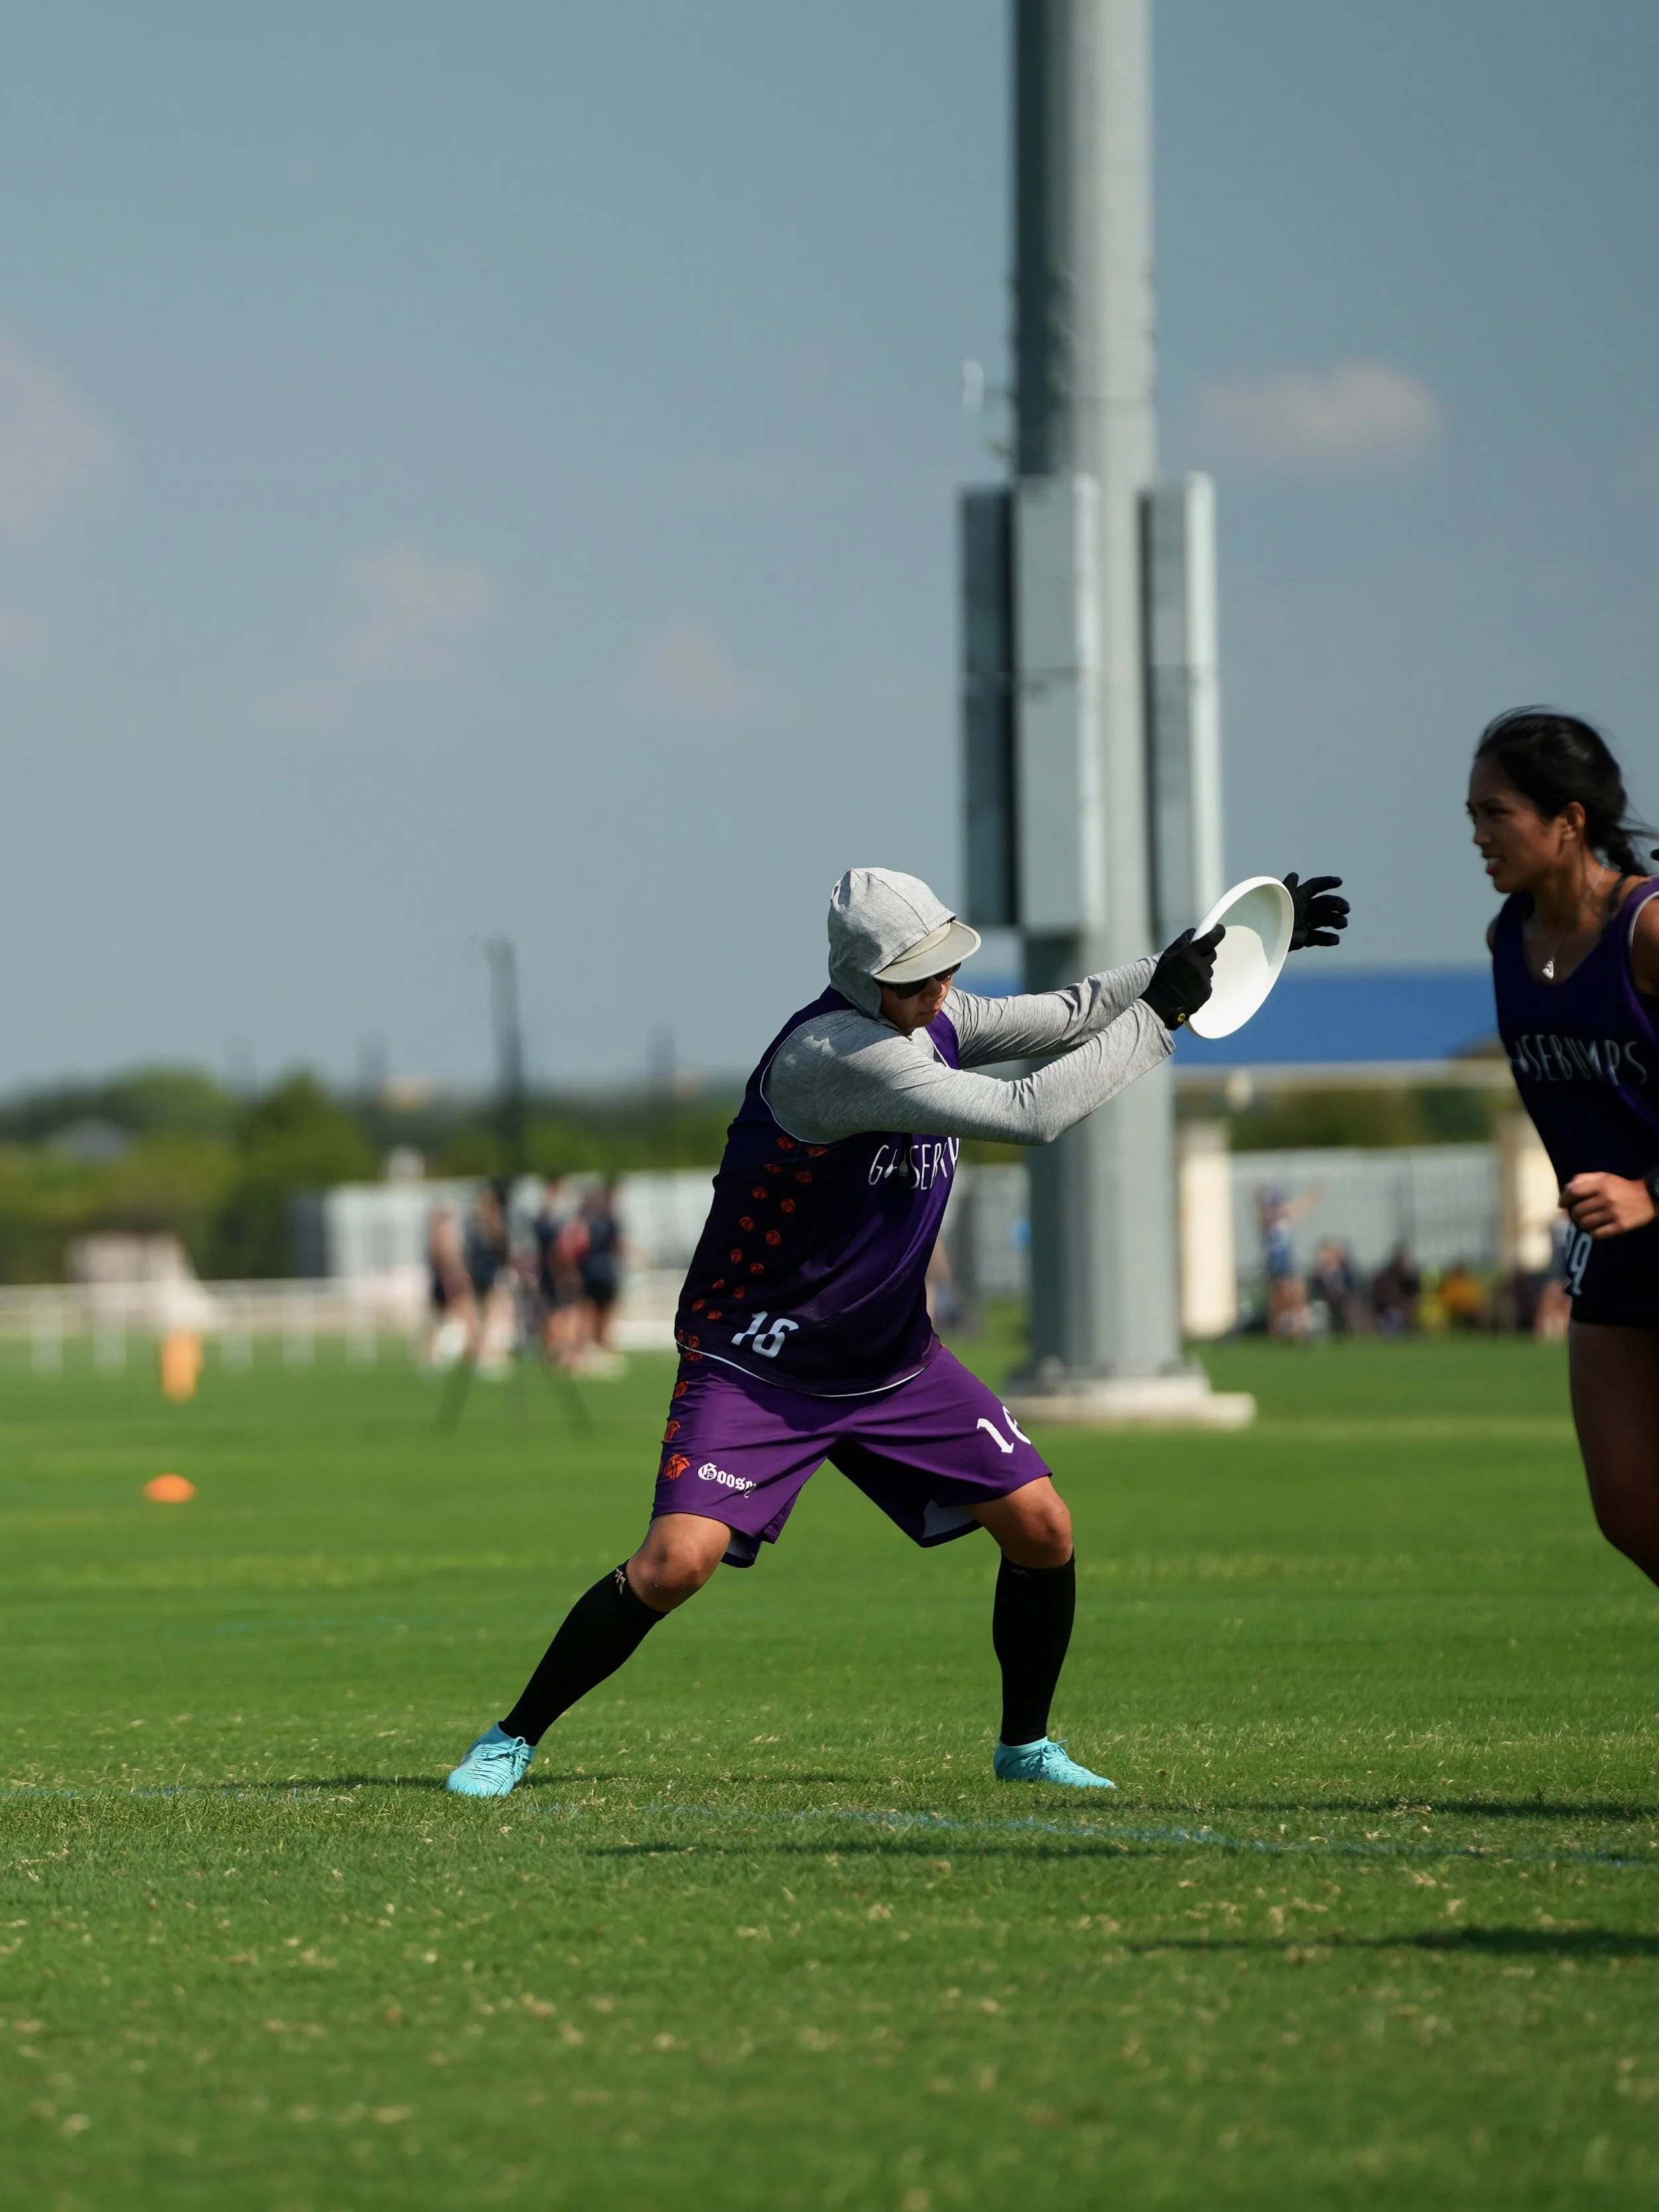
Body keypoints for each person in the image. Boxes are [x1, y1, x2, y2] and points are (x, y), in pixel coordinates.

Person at [445, 863, 1348, 1799]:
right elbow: (1027, 1112)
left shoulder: (931, 1016)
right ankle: (512, 1735)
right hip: (761, 1366)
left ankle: (1025, 1746)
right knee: (676, 1564)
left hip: (892, 1363)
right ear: (862, 977)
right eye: (918, 977)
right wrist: (1161, 1016)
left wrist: (1200, 956)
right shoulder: (835, 1056)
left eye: (945, 970)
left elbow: (1074, 1009)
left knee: (1042, 1527)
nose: (942, 991)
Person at [1470, 707, 1659, 1588]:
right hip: (1613, 1258)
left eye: (1496, 813)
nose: (1478, 836)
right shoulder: (1506, 940)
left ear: (1568, 819)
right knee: (1628, 1512)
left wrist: (1651, 1191)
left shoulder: (1647, 931)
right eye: (1473, 815)